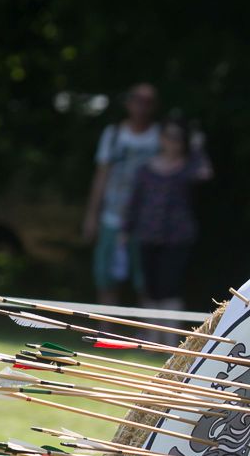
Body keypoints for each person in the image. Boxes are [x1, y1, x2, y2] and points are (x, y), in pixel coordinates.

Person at [119, 113, 212, 330]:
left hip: (177, 239)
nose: (173, 142)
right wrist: (125, 231)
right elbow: (134, 203)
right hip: (147, 236)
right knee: (150, 290)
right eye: (169, 136)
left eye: (178, 138)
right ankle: (152, 338)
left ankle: (170, 339)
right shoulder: (145, 169)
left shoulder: (188, 168)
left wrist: (197, 147)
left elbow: (205, 173)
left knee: (170, 288)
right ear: (161, 138)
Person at [82, 83, 160, 305]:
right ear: (128, 103)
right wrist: (91, 216)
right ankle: (105, 327)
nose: (142, 106)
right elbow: (101, 176)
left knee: (146, 285)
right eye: (137, 100)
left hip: (146, 223)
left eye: (148, 102)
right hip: (112, 218)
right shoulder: (113, 134)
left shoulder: (160, 136)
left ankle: (144, 327)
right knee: (106, 281)